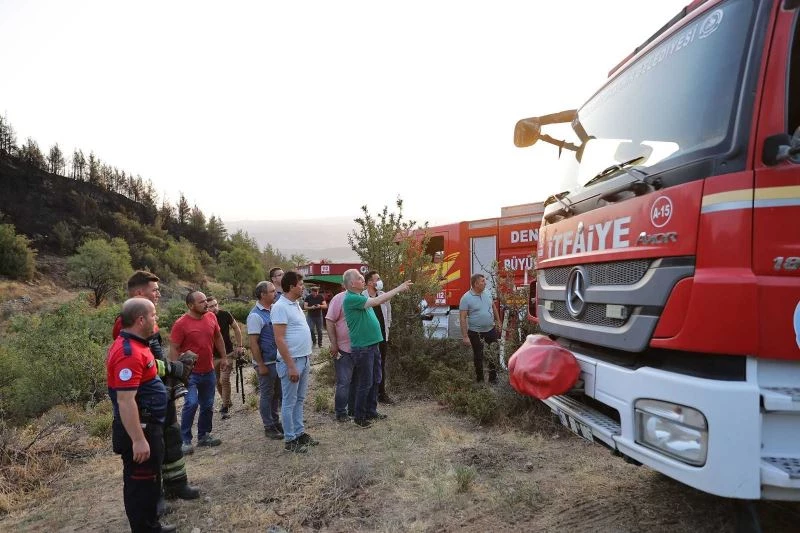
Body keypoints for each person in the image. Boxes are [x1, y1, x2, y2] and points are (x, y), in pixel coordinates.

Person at [113, 271, 200, 505]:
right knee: (154, 446)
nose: (159, 293)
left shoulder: (150, 317)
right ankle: (156, 496)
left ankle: (177, 484)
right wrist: (173, 369)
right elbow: (143, 363)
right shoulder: (128, 322)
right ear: (140, 292)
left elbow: (153, 357)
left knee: (171, 437)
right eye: (154, 290)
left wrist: (169, 378)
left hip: (161, 391)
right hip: (144, 398)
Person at [108, 298, 176, 532]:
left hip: (149, 424)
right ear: (140, 320)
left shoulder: (138, 344)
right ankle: (145, 528)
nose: (156, 319)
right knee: (140, 482)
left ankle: (151, 524)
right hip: (140, 428)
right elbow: (125, 401)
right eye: (154, 315)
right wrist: (138, 440)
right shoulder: (128, 352)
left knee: (148, 480)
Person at [342, 269, 411, 428]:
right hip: (363, 347)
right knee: (365, 382)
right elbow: (377, 301)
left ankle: (371, 411)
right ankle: (360, 416)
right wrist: (399, 288)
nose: (362, 280)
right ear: (352, 283)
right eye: (360, 278)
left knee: (375, 379)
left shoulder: (359, 296)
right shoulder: (351, 298)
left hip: (373, 344)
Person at [170, 290, 229, 454]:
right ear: (190, 305)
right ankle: (185, 440)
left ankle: (204, 436)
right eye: (201, 302)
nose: (206, 304)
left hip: (208, 370)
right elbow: (174, 348)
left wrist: (224, 357)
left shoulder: (211, 317)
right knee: (191, 403)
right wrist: (176, 372)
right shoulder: (181, 324)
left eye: (205, 301)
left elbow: (218, 337)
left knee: (208, 405)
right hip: (190, 374)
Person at [271, 271, 318, 452]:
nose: (303, 287)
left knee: (299, 399)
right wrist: (290, 365)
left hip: (303, 359)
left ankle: (299, 433)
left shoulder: (295, 305)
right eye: (300, 284)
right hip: (291, 362)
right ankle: (290, 439)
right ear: (291, 286)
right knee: (289, 402)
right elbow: (280, 339)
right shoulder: (280, 307)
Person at [247, 281, 284, 440]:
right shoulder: (255, 315)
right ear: (262, 295)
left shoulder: (273, 310)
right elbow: (253, 343)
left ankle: (275, 422)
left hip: (277, 361)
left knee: (276, 394)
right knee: (267, 395)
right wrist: (260, 365)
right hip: (266, 363)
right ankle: (268, 426)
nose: (275, 293)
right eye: (272, 291)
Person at [459, 274, 501, 383]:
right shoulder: (466, 298)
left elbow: (493, 307)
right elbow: (462, 318)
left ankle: (493, 378)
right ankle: (480, 380)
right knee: (478, 356)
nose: (485, 282)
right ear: (476, 284)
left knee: (494, 353)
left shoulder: (487, 292)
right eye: (482, 281)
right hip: (475, 332)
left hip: (490, 330)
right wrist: (465, 336)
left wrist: (498, 321)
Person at [206, 296, 243, 420]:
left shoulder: (225, 314)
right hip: (212, 355)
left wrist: (240, 346)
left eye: (215, 305)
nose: (214, 308)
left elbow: (236, 328)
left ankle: (225, 406)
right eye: (211, 306)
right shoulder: (204, 318)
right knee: (217, 381)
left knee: (224, 379)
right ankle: (227, 400)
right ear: (206, 307)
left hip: (228, 353)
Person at [362, 270, 395, 404]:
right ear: (370, 282)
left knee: (381, 365)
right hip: (367, 339)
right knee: (367, 367)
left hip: (382, 337)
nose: (380, 281)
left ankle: (381, 393)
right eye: (378, 279)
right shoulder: (362, 297)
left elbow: (388, 315)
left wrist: (387, 330)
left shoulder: (383, 296)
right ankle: (368, 395)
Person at [325, 286, 357, 422]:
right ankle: (341, 412)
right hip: (343, 349)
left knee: (356, 381)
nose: (363, 281)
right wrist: (333, 343)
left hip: (360, 348)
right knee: (344, 382)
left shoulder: (362, 298)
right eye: (360, 279)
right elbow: (329, 320)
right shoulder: (339, 299)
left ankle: (353, 409)